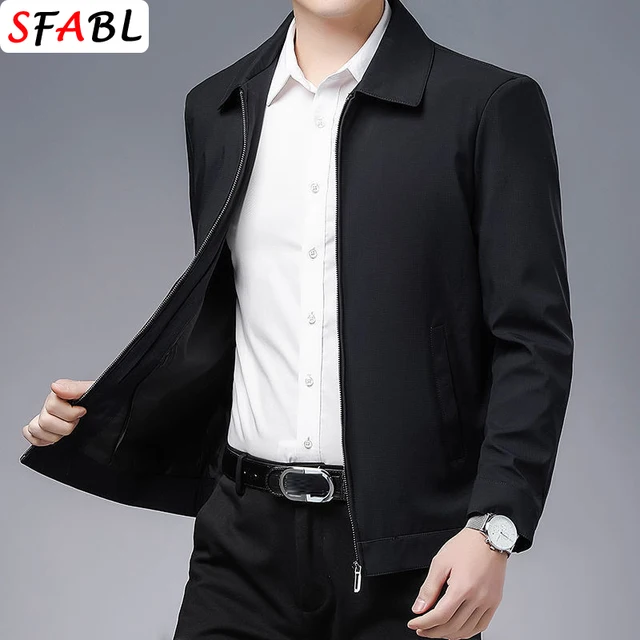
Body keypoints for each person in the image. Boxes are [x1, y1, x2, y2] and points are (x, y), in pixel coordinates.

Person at [20, 0, 574, 638]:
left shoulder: (487, 105)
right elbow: (241, 322)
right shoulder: (217, 108)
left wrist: (494, 526)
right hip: (240, 545)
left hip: (412, 554)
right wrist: (118, 403)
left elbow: (532, 339)